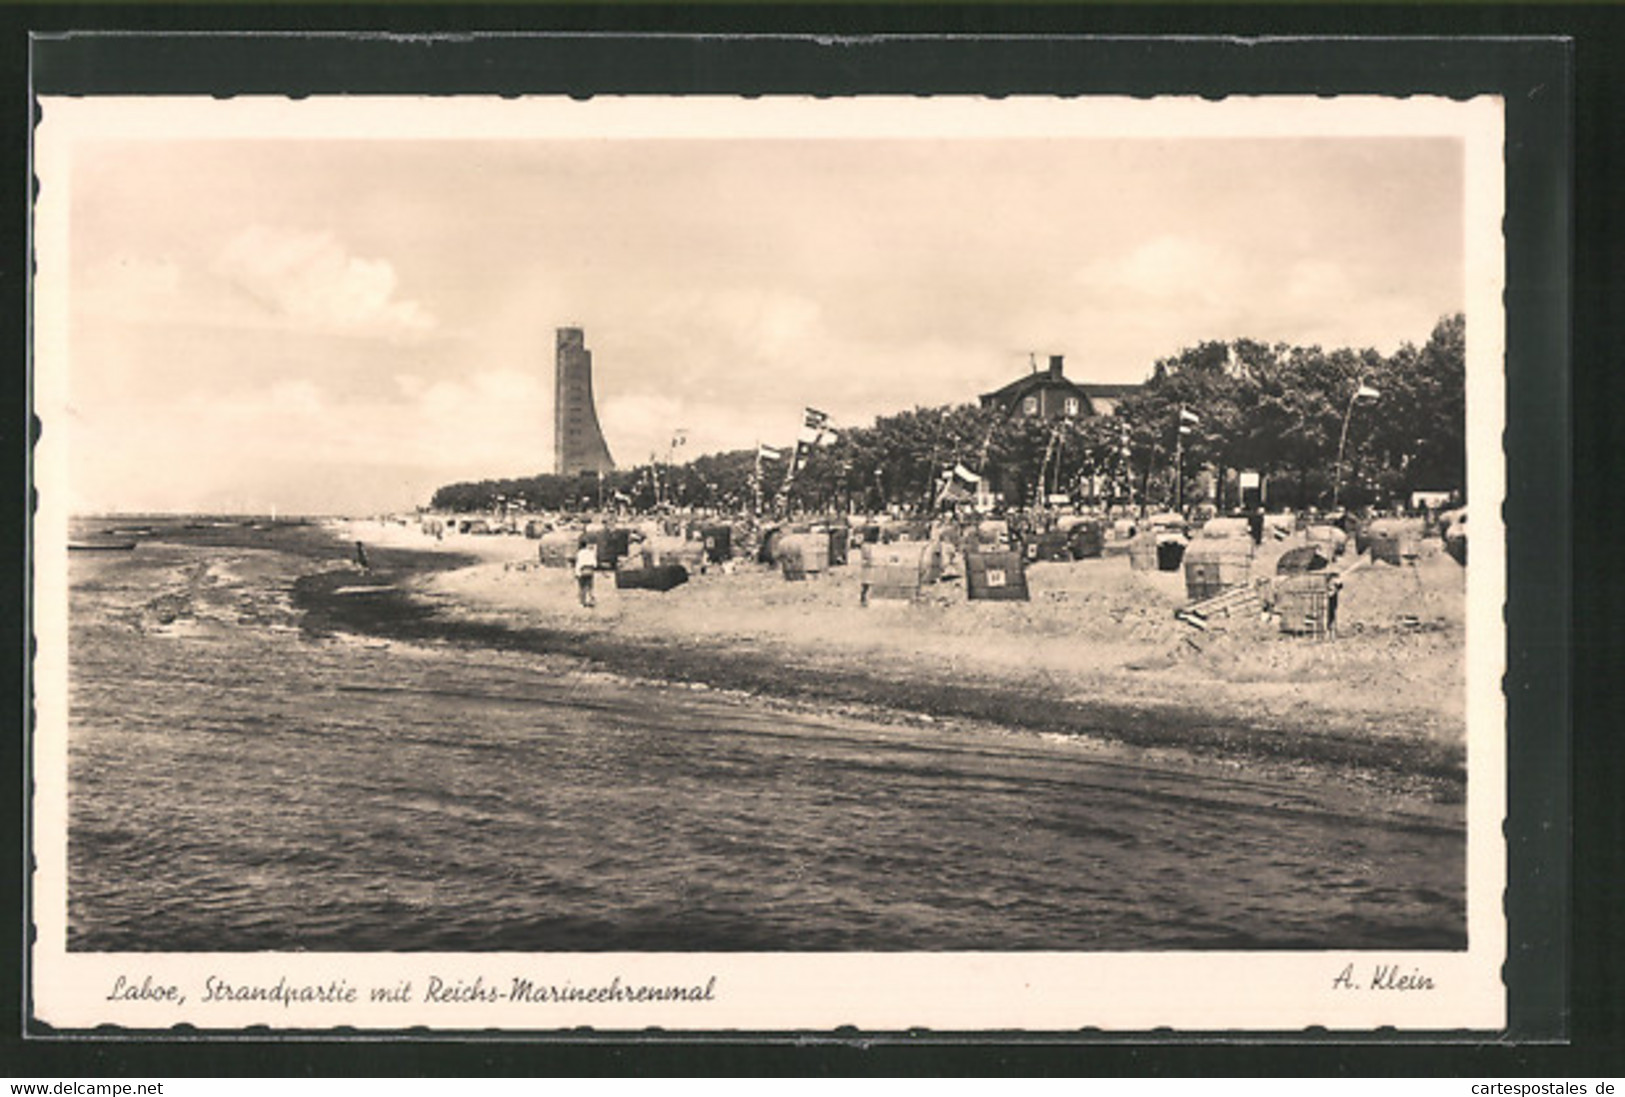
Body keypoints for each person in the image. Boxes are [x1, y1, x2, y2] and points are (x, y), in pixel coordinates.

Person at [574, 536, 598, 608]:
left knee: (582, 587)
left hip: (583, 570)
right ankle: (592, 601)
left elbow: (579, 564)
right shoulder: (590, 552)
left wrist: (577, 573)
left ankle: (582, 602)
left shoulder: (580, 553)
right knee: (590, 587)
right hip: (590, 570)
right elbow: (594, 563)